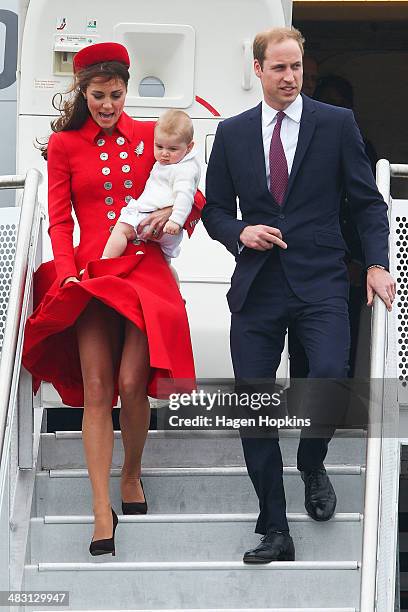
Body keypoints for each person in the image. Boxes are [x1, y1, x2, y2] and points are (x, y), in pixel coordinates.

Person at [202, 26, 395, 563]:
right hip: (259, 287)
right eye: (280, 68)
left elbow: (366, 203)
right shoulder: (233, 132)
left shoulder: (335, 123)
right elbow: (213, 208)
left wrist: (377, 263)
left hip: (322, 280)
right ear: (258, 71)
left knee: (331, 377)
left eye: (297, 68)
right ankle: (274, 529)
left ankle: (312, 460)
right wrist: (239, 231)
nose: (291, 77)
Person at [23, 42, 204, 556]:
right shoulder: (64, 145)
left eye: (117, 95)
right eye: (98, 95)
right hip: (90, 271)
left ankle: (132, 473)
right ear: (82, 91)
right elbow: (59, 220)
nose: (108, 105)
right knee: (98, 386)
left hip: (145, 268)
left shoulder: (152, 135)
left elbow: (194, 192)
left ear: (127, 88)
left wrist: (168, 216)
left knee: (132, 381)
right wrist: (65, 275)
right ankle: (102, 508)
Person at [103, 109, 201, 264]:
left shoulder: (183, 169)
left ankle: (105, 261)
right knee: (165, 264)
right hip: (171, 234)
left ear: (189, 147)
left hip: (153, 219)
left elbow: (186, 195)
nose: (164, 154)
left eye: (172, 149)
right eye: (159, 146)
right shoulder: (182, 162)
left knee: (121, 230)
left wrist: (176, 219)